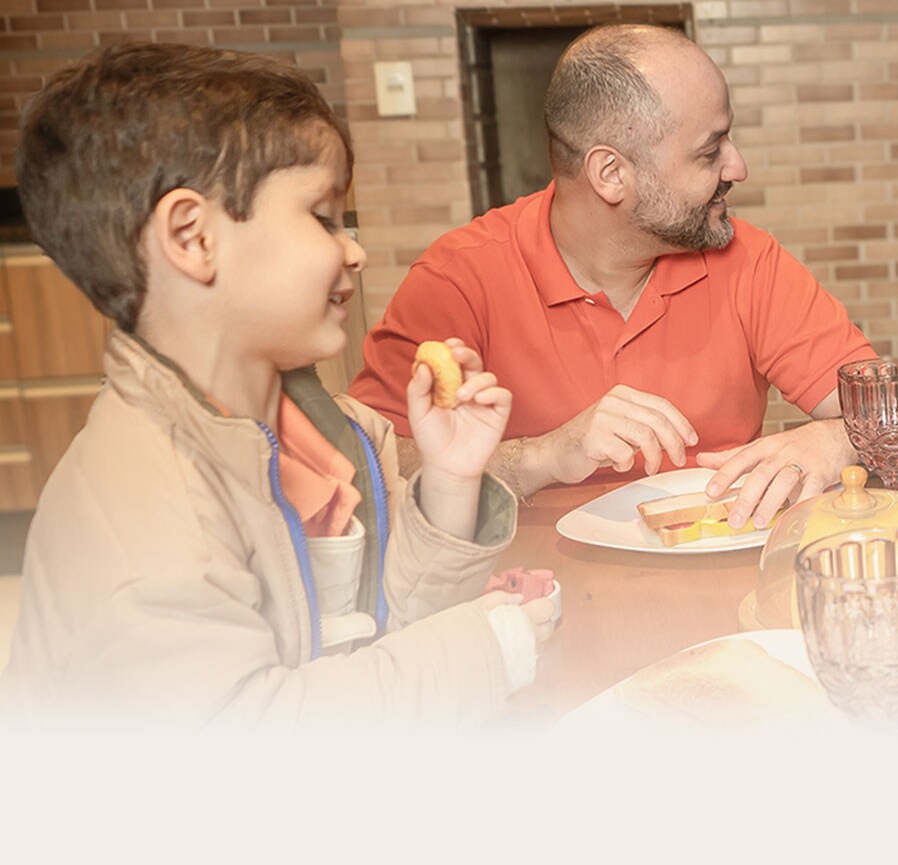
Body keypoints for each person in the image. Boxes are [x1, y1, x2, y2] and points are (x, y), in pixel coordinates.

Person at [0, 44, 553, 730]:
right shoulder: (140, 512)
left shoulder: (336, 436)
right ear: (192, 238)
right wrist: (487, 651)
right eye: (322, 217)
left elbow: (388, 624)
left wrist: (448, 483)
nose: (352, 249)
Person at [349, 25, 875, 530]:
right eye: (709, 152)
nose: (738, 168)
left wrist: (834, 442)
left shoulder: (748, 259)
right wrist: (544, 457)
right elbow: (368, 469)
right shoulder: (458, 280)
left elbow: (892, 410)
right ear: (611, 174)